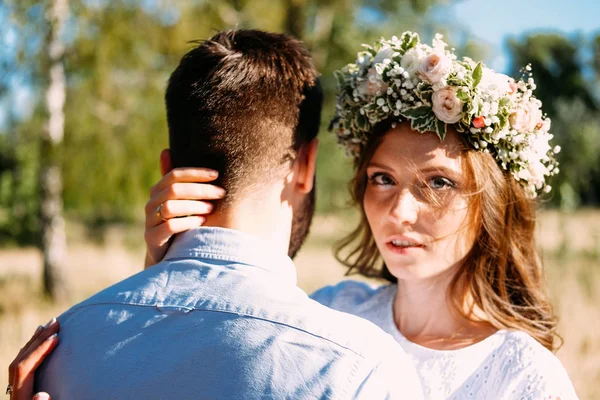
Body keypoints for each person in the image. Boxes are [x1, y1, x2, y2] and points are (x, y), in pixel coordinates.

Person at [10, 31, 579, 399]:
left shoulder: (526, 379)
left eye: (437, 183)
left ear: (491, 204)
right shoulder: (332, 310)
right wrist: (167, 270)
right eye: (382, 179)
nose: (400, 210)